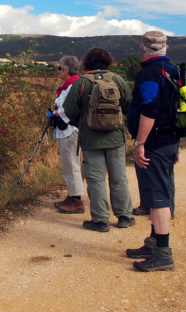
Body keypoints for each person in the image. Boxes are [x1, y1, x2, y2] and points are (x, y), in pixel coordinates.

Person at [62, 47, 135, 232]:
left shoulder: (82, 83)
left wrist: (83, 118)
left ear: (87, 62)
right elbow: (129, 105)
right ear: (108, 61)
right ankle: (124, 216)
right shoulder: (117, 80)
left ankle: (100, 220)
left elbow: (69, 110)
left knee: (96, 179)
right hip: (116, 138)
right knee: (119, 178)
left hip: (91, 139)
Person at [124, 30, 180, 272]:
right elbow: (178, 110)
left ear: (143, 47)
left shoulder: (150, 73)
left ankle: (163, 254)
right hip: (168, 140)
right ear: (166, 47)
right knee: (161, 192)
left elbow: (150, 110)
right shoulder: (174, 72)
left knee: (157, 198)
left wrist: (140, 144)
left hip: (154, 143)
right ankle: (153, 243)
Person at [50, 55, 84, 214]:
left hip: (70, 129)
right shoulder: (70, 85)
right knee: (68, 164)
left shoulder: (73, 86)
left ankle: (76, 200)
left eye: (60, 68)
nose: (58, 71)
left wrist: (56, 113)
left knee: (71, 164)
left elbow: (71, 107)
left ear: (67, 70)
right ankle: (72, 196)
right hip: (66, 130)